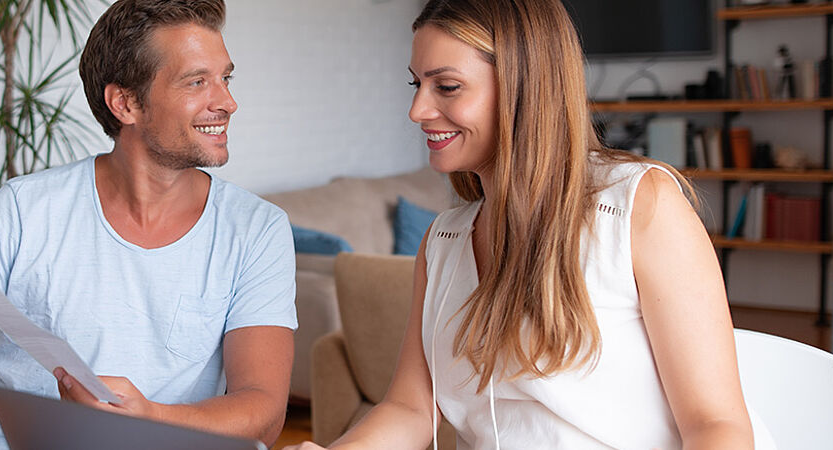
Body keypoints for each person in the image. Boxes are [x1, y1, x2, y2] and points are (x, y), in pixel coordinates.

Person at [287, 0, 763, 448]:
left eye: (447, 86)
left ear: (524, 86)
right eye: (417, 85)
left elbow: (715, 425)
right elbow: (410, 408)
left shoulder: (640, 206)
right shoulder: (444, 242)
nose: (418, 111)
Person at [0, 1, 297, 448]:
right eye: (197, 81)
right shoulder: (23, 210)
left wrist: (151, 418)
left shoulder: (255, 231)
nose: (227, 101)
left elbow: (263, 411)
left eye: (225, 78)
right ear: (125, 103)